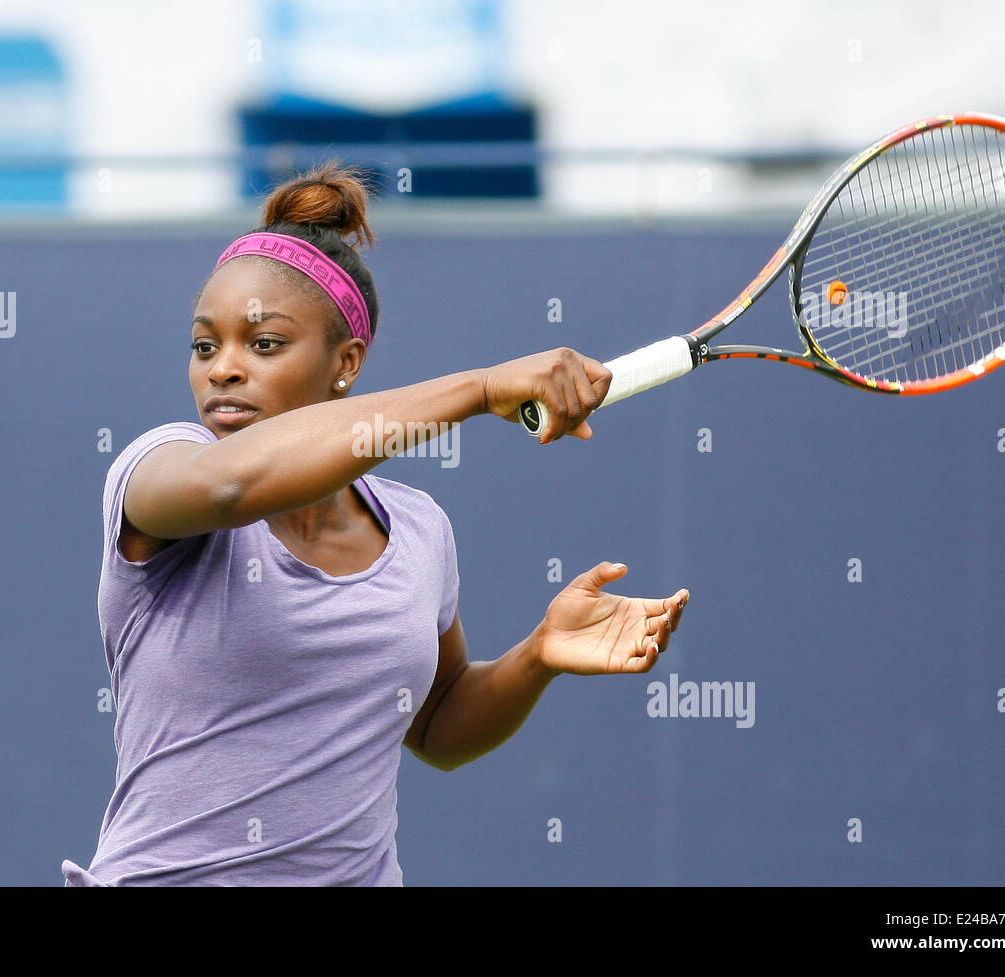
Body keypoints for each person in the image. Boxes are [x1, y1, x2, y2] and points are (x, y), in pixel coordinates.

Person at [62, 161, 689, 886]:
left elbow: (437, 728)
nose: (223, 369)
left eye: (263, 344)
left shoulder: (419, 530)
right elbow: (234, 484)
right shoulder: (160, 472)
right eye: (206, 345)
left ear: (345, 363)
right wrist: (481, 389)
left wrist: (538, 654)